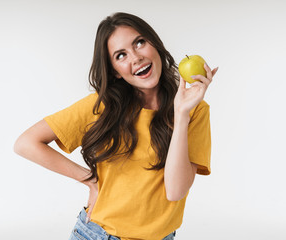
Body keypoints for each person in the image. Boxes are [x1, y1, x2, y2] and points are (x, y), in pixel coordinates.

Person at [14, 12, 218, 240]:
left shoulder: (195, 111)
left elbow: (175, 191)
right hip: (97, 234)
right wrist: (90, 180)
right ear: (114, 71)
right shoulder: (102, 106)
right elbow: (26, 143)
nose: (135, 58)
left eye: (140, 43)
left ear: (155, 44)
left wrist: (181, 115)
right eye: (121, 55)